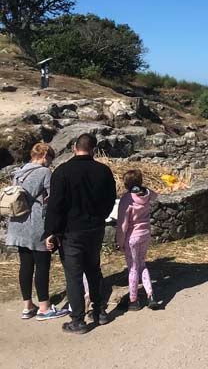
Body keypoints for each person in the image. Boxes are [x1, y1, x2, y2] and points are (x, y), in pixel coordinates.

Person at [44, 133, 117, 334]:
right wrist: (100, 216)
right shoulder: (103, 171)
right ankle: (100, 311)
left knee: (74, 276)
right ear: (93, 149)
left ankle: (78, 319)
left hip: (71, 231)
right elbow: (111, 199)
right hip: (95, 228)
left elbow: (56, 206)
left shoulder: (63, 172)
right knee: (94, 270)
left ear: (75, 147)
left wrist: (50, 232)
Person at [5, 143, 68, 321]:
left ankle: (27, 306)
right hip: (36, 225)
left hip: (18, 224)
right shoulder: (44, 173)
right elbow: (53, 200)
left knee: (25, 266)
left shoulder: (19, 172)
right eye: (50, 158)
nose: (50, 162)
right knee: (42, 265)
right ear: (44, 156)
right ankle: (44, 307)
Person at [116, 169, 158, 311]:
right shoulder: (146, 195)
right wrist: (143, 188)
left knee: (133, 268)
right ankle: (150, 295)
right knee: (142, 265)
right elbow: (155, 195)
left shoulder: (127, 199)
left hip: (132, 237)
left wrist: (119, 242)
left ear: (126, 184)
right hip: (145, 233)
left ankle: (133, 300)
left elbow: (123, 224)